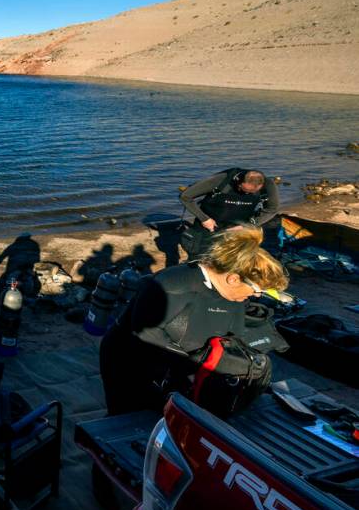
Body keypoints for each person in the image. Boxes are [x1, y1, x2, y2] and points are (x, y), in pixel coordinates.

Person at [99, 225, 288, 416]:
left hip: (176, 364)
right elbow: (147, 334)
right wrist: (194, 362)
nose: (256, 296)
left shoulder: (234, 298)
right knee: (130, 417)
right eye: (257, 290)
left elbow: (233, 339)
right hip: (129, 360)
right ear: (232, 279)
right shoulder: (172, 284)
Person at [179, 168, 279, 257]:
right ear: (239, 182)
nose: (246, 194)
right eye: (243, 190)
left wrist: (248, 225)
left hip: (238, 229)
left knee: (233, 261)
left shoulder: (268, 185)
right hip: (209, 226)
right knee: (200, 257)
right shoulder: (221, 180)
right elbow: (185, 196)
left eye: (250, 193)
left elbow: (272, 209)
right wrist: (204, 219)